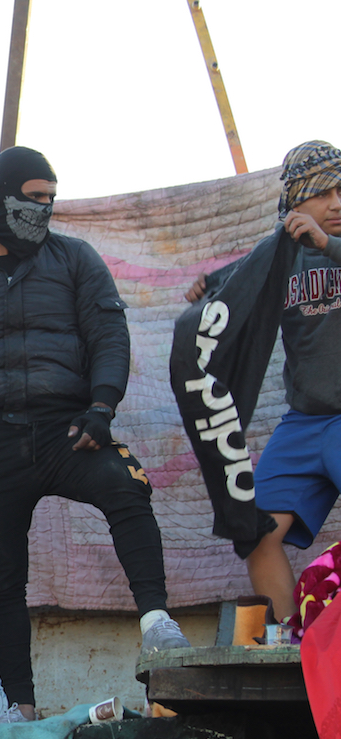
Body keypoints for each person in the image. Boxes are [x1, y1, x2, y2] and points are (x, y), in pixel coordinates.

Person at [0, 147, 190, 723]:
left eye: (51, 198)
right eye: (33, 197)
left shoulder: (75, 259)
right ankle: (22, 708)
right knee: (0, 572)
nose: (45, 208)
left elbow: (109, 334)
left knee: (127, 486)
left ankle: (158, 624)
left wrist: (102, 407)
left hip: (68, 429)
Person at [178, 140, 341, 623]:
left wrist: (327, 244)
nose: (336, 203)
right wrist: (210, 288)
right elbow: (240, 281)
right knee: (255, 530)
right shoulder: (279, 256)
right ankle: (292, 643)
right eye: (322, 193)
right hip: (305, 423)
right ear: (294, 202)